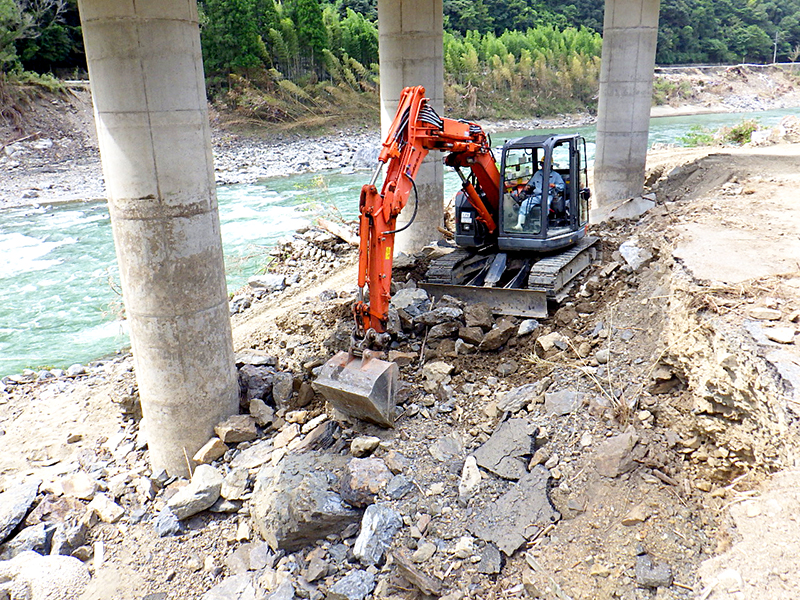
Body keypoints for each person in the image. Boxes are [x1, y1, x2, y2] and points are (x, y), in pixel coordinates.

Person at [512, 160, 565, 230]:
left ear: (551, 165)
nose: (544, 166)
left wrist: (555, 185)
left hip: (548, 195)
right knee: (525, 203)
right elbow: (531, 183)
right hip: (536, 195)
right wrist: (527, 187)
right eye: (542, 164)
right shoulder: (538, 174)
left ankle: (543, 224)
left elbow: (562, 186)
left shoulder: (556, 175)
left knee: (546, 203)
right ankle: (519, 224)